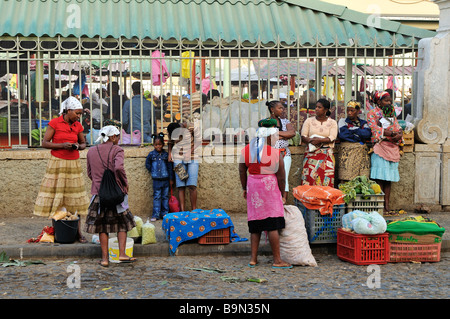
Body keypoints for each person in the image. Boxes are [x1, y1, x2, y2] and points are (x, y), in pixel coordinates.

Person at [33, 96, 90, 243]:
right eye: (77, 113)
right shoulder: (54, 123)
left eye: (80, 114)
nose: (78, 116)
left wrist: (78, 146)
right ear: (68, 110)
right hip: (57, 163)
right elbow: (45, 143)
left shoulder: (78, 125)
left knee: (75, 197)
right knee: (56, 197)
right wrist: (62, 145)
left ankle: (78, 232)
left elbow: (83, 143)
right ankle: (57, 231)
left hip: (73, 164)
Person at [239, 124, 292, 269]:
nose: (276, 139)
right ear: (269, 137)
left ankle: (253, 259)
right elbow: (281, 178)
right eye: (275, 136)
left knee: (255, 224)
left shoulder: (246, 151)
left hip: (253, 185)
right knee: (272, 224)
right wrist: (282, 193)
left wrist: (245, 188)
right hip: (269, 187)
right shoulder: (275, 153)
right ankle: (277, 260)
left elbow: (242, 171)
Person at [84, 125, 136, 267]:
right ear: (113, 137)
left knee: (102, 227)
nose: (119, 139)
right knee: (122, 224)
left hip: (99, 194)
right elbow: (119, 168)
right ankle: (122, 254)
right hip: (116, 193)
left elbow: (90, 173)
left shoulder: (91, 151)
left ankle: (105, 259)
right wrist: (123, 183)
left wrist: (99, 183)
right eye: (118, 136)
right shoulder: (117, 150)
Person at [366, 91, 403, 215]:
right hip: (380, 147)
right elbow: (374, 128)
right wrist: (390, 134)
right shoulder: (372, 113)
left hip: (392, 147)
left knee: (389, 179)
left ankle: (387, 205)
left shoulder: (391, 112)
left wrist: (399, 134)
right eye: (386, 100)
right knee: (380, 178)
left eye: (390, 101)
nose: (388, 103)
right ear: (378, 101)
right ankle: (379, 205)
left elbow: (396, 125)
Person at [263, 100, 296, 202]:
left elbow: (292, 133)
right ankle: (272, 201)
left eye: (282, 108)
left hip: (285, 154)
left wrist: (276, 133)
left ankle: (283, 201)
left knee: (284, 178)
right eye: (279, 108)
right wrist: (284, 135)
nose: (282, 110)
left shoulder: (285, 121)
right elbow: (270, 139)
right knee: (271, 179)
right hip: (271, 155)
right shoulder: (266, 122)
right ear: (272, 109)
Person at [300, 98, 338, 187]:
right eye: (316, 107)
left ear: (326, 110)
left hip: (326, 155)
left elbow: (332, 137)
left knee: (326, 180)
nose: (316, 109)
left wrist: (319, 140)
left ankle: (324, 200)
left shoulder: (332, 123)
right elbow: (303, 136)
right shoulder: (309, 121)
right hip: (311, 154)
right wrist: (312, 141)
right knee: (309, 179)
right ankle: (309, 200)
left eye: (319, 107)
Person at [167, 119, 201, 212]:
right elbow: (170, 143)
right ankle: (182, 211)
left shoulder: (191, 126)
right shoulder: (171, 130)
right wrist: (169, 154)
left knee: (192, 185)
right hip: (178, 159)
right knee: (181, 186)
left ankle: (194, 210)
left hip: (192, 158)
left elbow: (198, 141)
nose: (177, 140)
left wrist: (190, 152)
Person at [337, 100, 372, 183]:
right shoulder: (343, 121)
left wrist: (352, 130)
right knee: (345, 177)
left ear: (358, 111)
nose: (349, 113)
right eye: (348, 110)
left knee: (362, 179)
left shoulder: (363, 123)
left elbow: (367, 134)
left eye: (352, 111)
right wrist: (359, 136)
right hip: (347, 152)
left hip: (361, 153)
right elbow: (343, 135)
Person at [145, 133, 175, 221]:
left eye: (160, 144)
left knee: (165, 196)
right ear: (154, 145)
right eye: (156, 144)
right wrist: (153, 170)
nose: (158, 146)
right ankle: (156, 214)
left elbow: (170, 167)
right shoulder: (151, 155)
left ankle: (165, 213)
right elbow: (147, 164)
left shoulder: (166, 155)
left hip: (165, 179)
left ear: (163, 145)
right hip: (156, 180)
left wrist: (171, 179)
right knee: (157, 197)